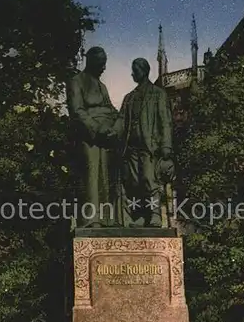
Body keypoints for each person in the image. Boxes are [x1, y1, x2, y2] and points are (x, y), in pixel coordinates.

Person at [110, 58, 174, 227]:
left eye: (135, 70)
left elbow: (165, 121)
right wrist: (110, 132)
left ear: (144, 71)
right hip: (131, 148)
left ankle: (154, 215)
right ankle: (140, 216)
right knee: (134, 183)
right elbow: (121, 121)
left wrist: (166, 146)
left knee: (149, 180)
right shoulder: (129, 98)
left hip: (149, 147)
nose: (132, 74)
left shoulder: (158, 94)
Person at [68, 47, 118, 227]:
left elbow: (111, 109)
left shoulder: (102, 86)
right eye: (101, 63)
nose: (104, 67)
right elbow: (78, 111)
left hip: (106, 137)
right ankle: (90, 219)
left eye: (105, 63)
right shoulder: (77, 81)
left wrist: (115, 127)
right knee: (91, 175)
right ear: (91, 61)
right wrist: (98, 129)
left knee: (105, 177)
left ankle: (104, 219)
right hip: (89, 136)